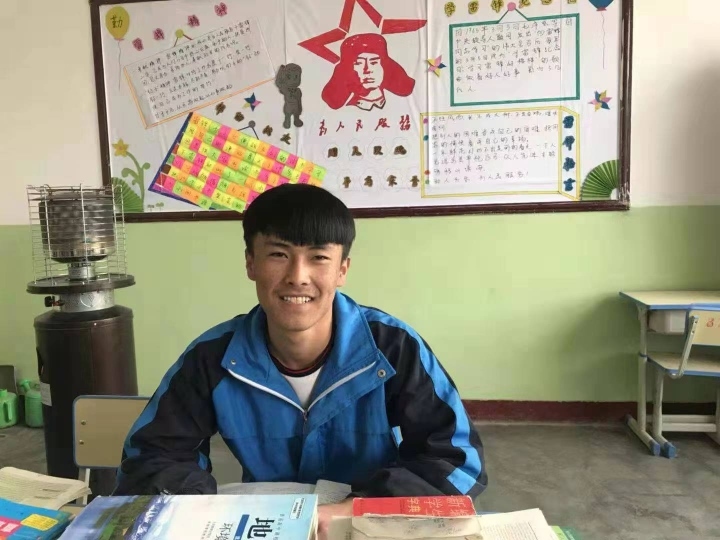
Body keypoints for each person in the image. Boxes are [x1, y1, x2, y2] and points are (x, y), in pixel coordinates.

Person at [115, 184, 487, 534]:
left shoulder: (392, 347)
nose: (298, 277)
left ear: (342, 270)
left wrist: (356, 509)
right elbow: (152, 456)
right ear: (251, 263)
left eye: (318, 257)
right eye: (278, 254)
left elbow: (456, 460)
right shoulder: (213, 357)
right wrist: (201, 510)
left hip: (368, 525)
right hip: (264, 524)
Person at [321, 33, 415, 111]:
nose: (367, 70)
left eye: (374, 62)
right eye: (359, 63)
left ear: (385, 66)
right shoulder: (347, 110)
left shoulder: (400, 104)